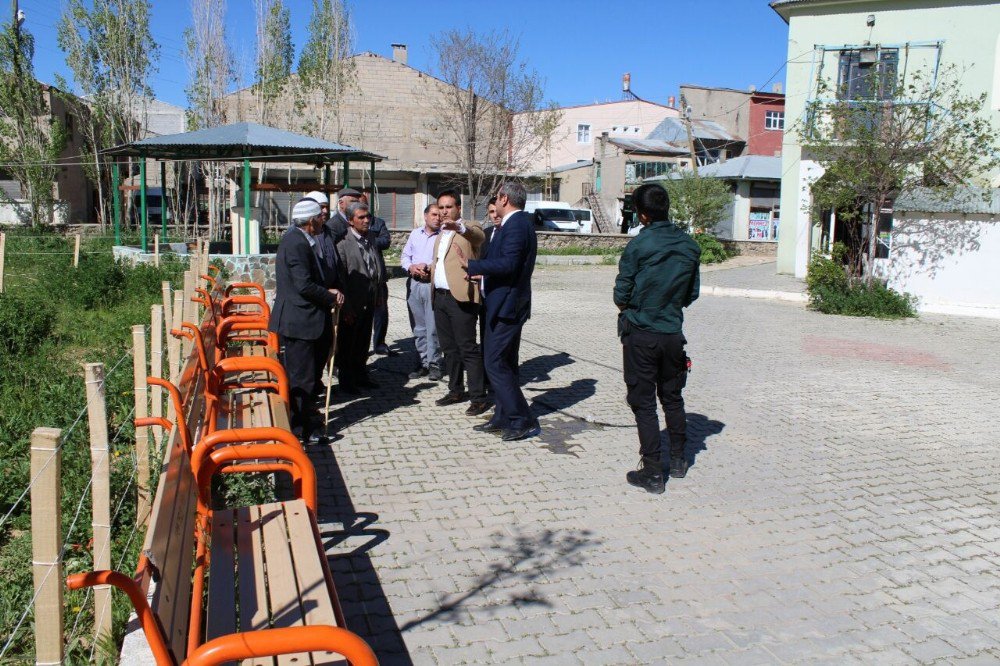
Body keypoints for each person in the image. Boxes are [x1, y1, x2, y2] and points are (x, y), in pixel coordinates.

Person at [613, 182, 700, 494]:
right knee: (673, 397)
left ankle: (652, 472)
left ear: (642, 214)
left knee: (644, 402)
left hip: (642, 332)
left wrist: (638, 306)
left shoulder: (639, 245)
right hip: (673, 334)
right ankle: (678, 460)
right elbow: (691, 294)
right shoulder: (690, 246)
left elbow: (620, 292)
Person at [460, 181, 539, 441]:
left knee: (493, 362)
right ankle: (503, 415)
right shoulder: (510, 225)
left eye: (497, 198)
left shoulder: (517, 224)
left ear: (504, 199)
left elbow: (509, 264)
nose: (495, 202)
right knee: (502, 362)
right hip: (500, 302)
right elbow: (502, 262)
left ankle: (520, 419)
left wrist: (473, 265)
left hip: (508, 305)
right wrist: (482, 274)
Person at [268, 198, 344, 442]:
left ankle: (306, 420)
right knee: (302, 378)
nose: (324, 220)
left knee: (309, 376)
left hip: (308, 319)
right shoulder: (296, 243)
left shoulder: (304, 240)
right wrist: (329, 297)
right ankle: (299, 430)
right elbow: (303, 285)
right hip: (300, 321)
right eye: (321, 217)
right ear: (312, 221)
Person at [429, 190, 489, 416]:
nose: (444, 212)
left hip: (461, 296)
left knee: (467, 348)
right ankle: (455, 390)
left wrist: (459, 227)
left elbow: (478, 238)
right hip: (441, 297)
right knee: (449, 349)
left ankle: (478, 397)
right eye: (441, 208)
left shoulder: (469, 227)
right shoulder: (440, 232)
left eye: (448, 207)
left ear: (458, 208)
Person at [335, 201, 384, 394]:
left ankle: (361, 375)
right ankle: (347, 382)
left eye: (368, 217)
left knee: (363, 340)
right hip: (352, 301)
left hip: (370, 297)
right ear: (350, 221)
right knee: (348, 343)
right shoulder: (343, 242)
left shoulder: (370, 237)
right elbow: (341, 277)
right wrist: (346, 307)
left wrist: (379, 293)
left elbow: (376, 266)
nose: (366, 221)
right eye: (361, 218)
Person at [304, 190, 340, 394]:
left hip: (328, 300)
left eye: (326, 206)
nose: (325, 211)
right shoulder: (301, 236)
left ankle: (317, 381)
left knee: (324, 347)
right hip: (313, 301)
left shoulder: (326, 231)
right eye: (321, 207)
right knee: (310, 353)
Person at [402, 203, 443, 380]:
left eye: (440, 215)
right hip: (414, 284)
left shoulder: (443, 236)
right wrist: (411, 267)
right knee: (418, 327)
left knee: (432, 327)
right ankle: (422, 362)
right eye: (434, 214)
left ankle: (434, 364)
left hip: (432, 284)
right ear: (425, 216)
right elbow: (405, 256)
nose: (437, 218)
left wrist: (429, 267)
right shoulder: (415, 234)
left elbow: (445, 262)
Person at [359, 191, 393, 356]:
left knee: (381, 312)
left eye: (364, 204)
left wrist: (368, 240)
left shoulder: (377, 223)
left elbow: (386, 241)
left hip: (378, 278)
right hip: (359, 278)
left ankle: (379, 343)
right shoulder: (348, 224)